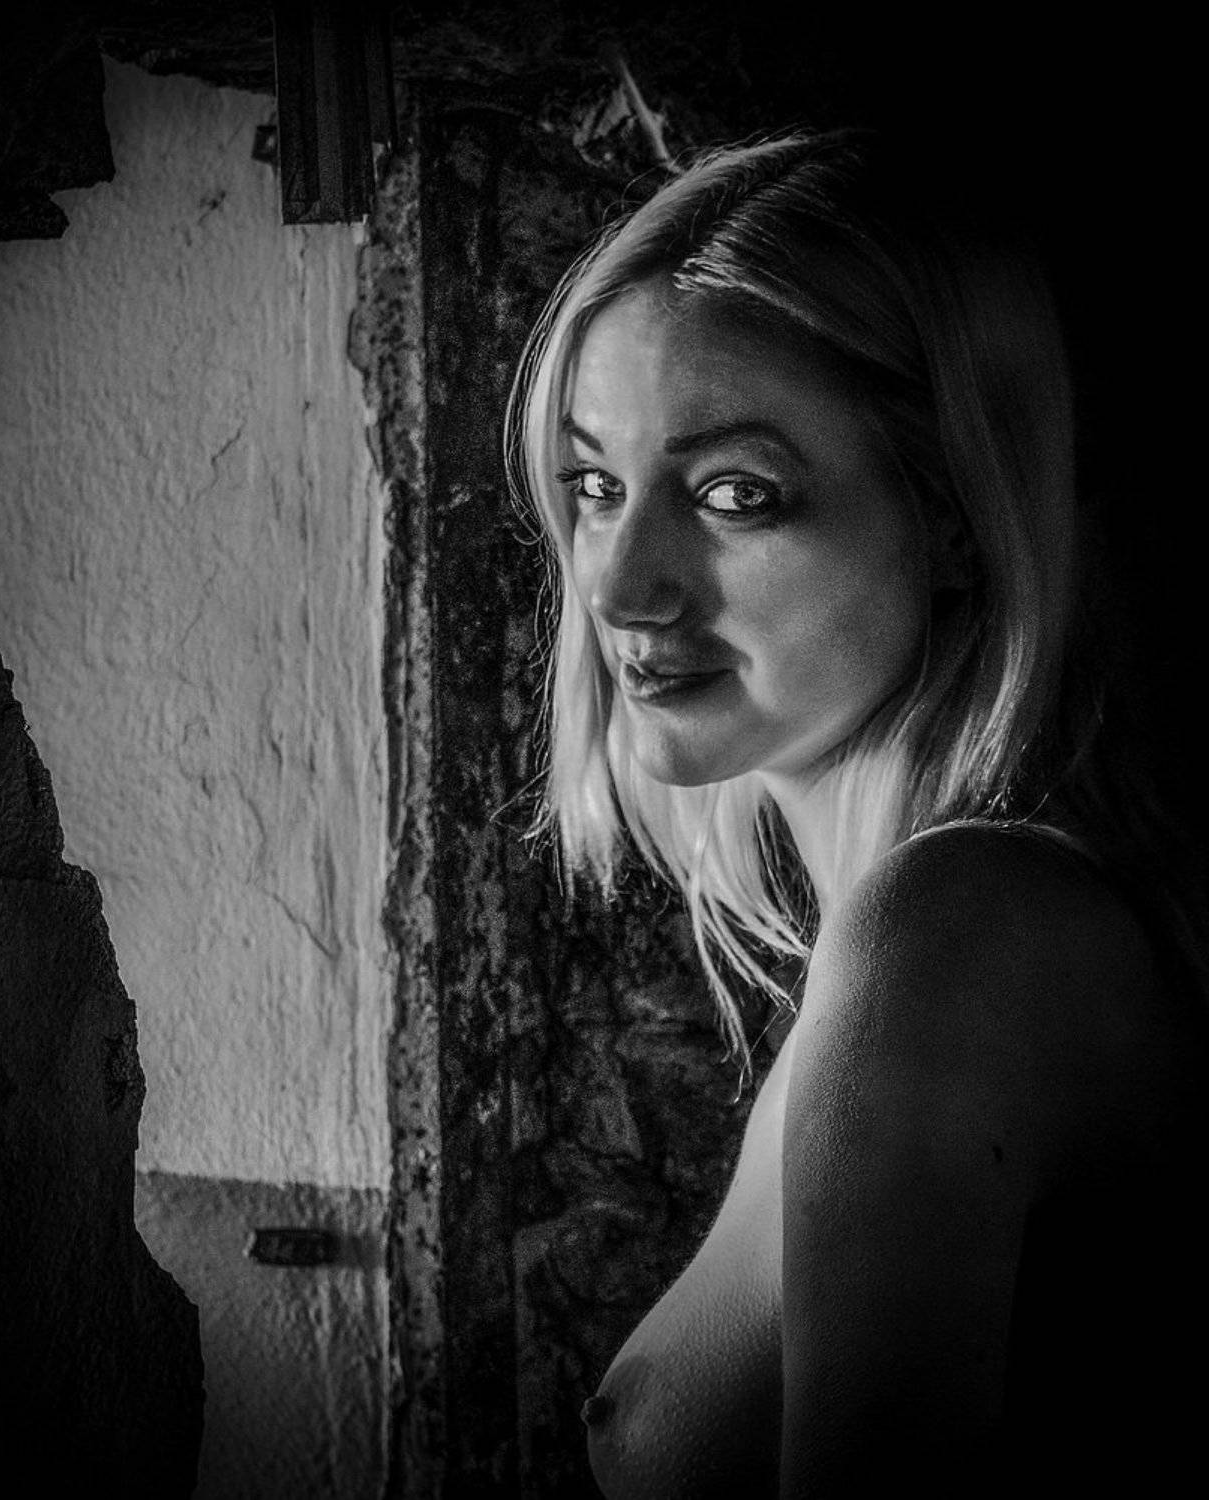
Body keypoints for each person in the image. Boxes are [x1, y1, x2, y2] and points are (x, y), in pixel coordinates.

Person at [505, 129, 1209, 1497]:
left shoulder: (953, 940)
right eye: (595, 485)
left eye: (734, 494)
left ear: (954, 515)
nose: (621, 587)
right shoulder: (955, 930)